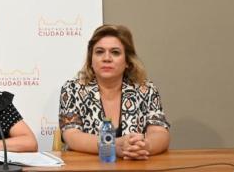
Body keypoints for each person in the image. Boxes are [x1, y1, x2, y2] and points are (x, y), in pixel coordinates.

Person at [58, 24, 170, 160]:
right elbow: (72, 136)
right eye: (99, 52)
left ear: (127, 61)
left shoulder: (145, 89)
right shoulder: (72, 90)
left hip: (135, 170)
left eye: (115, 52)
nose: (106, 58)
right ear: (91, 60)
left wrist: (145, 146)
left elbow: (160, 133)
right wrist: (115, 145)